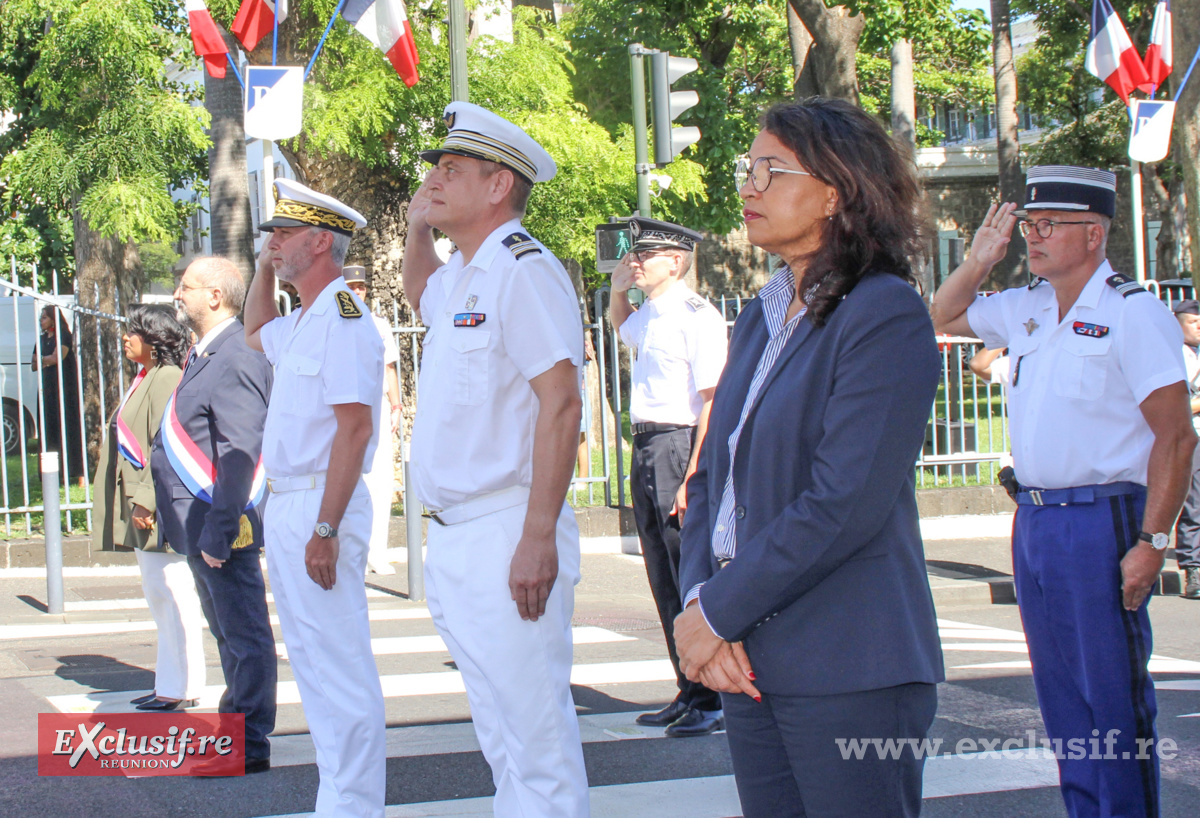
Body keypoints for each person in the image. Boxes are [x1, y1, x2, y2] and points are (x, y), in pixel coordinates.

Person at [673, 99, 944, 818]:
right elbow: (710, 480)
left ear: (835, 192)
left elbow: (844, 502)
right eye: (748, 168)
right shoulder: (762, 316)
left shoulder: (882, 312)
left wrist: (720, 609)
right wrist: (702, 606)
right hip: (749, 656)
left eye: (773, 170)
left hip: (848, 662)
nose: (750, 187)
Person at [932, 165, 1195, 818]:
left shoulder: (1135, 314)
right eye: (1030, 225)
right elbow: (941, 314)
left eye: (1052, 225)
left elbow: (1176, 438)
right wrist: (980, 259)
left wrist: (1153, 541)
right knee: (1061, 702)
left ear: (1095, 234)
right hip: (1039, 520)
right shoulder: (1024, 309)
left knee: (1111, 699)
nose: (1035, 236)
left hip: (1104, 518)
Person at [402, 101, 589, 817]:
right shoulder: (463, 276)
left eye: (453, 170)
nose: (436, 180)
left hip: (508, 525)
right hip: (456, 533)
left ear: (498, 185)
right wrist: (418, 227)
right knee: (500, 732)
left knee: (536, 736)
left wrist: (537, 536)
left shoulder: (522, 268)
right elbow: (422, 294)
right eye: (437, 169)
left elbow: (562, 403)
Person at [244, 179, 386, 816]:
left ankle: (354, 804)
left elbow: (355, 427)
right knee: (311, 660)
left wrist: (326, 530)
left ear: (320, 240)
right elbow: (253, 329)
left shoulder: (345, 318)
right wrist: (260, 266)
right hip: (289, 502)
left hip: (320, 507)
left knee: (339, 664)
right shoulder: (301, 318)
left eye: (283, 233)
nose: (272, 242)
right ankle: (339, 798)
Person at [150, 256, 277, 773]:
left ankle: (248, 744)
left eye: (186, 287)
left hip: (220, 526)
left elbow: (239, 451)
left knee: (244, 637)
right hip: (199, 524)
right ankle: (233, 733)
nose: (178, 294)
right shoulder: (207, 353)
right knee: (227, 635)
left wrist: (222, 532)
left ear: (216, 297)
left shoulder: (237, 353)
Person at [609, 217, 728, 737]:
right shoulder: (653, 312)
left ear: (675, 261)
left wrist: (692, 475)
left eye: (646, 256)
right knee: (661, 574)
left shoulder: (696, 315)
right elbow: (622, 328)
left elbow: (712, 401)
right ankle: (687, 686)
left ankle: (710, 697)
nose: (636, 262)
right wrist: (618, 291)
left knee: (687, 574)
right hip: (648, 444)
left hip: (679, 446)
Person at [92, 304, 205, 712]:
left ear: (155, 341)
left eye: (134, 331)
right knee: (160, 594)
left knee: (172, 594)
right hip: (142, 502)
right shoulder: (147, 377)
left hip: (154, 505)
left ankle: (183, 685)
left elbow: (165, 445)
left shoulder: (167, 378)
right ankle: (169, 683)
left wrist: (146, 500)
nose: (126, 337)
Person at [342, 265, 402, 575]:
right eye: (350, 287)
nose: (356, 292)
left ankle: (376, 552)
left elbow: (389, 367)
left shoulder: (379, 324)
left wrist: (395, 405)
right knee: (348, 482)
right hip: (347, 409)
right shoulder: (336, 322)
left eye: (360, 287)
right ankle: (354, 551)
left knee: (379, 482)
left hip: (376, 406)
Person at [32, 305, 85, 485]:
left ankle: (76, 471)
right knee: (48, 428)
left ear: (53, 319)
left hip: (64, 388)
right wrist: (45, 361)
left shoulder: (63, 336)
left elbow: (57, 358)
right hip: (46, 389)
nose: (41, 321)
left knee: (67, 426)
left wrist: (43, 360)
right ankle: (50, 472)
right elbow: (33, 364)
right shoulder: (40, 340)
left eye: (45, 317)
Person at [1170, 299, 1200, 599]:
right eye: (1193, 322)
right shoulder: (1173, 355)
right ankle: (1193, 568)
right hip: (1190, 437)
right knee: (1195, 504)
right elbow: (1175, 407)